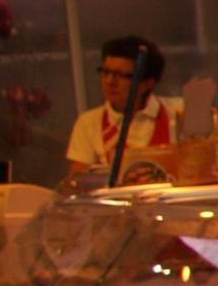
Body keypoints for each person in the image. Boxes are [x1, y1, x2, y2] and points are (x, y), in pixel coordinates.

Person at [63, 35, 178, 188]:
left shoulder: (178, 112)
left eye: (122, 76)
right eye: (106, 72)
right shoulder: (89, 122)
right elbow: (77, 183)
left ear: (148, 83)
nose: (110, 81)